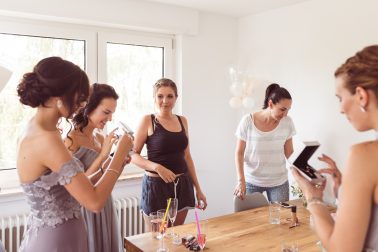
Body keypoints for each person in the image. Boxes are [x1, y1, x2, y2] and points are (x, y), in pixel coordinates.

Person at [16, 57, 133, 252]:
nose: (82, 104)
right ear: (59, 96)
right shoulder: (46, 139)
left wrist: (115, 164)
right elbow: (94, 202)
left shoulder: (39, 129)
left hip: (66, 238)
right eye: (79, 97)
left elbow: (75, 188)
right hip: (55, 243)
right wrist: (119, 154)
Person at [292, 45, 378, 251]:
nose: (340, 109)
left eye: (340, 98)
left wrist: (313, 198)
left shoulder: (365, 156)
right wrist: (347, 190)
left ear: (361, 95)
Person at [131, 78, 207, 227]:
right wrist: (157, 167)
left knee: (176, 235)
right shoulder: (148, 120)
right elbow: (133, 155)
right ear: (154, 98)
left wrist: (198, 189)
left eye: (170, 96)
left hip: (182, 185)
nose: (165, 101)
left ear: (176, 98)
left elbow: (187, 157)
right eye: (160, 96)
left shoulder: (182, 120)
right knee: (157, 240)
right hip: (156, 187)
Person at [64, 83, 124, 252]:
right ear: (89, 107)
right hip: (86, 208)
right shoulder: (70, 140)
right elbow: (80, 184)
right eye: (106, 112)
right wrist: (104, 155)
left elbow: (105, 176)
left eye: (112, 113)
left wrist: (118, 161)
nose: (110, 119)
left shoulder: (99, 137)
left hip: (104, 202)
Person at [234, 83, 295, 202]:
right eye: (282, 109)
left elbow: (289, 153)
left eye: (288, 110)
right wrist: (241, 181)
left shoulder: (287, 123)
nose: (285, 114)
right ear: (270, 104)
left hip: (279, 182)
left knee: (281, 219)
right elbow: (239, 153)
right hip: (252, 181)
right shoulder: (247, 121)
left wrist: (304, 172)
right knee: (250, 220)